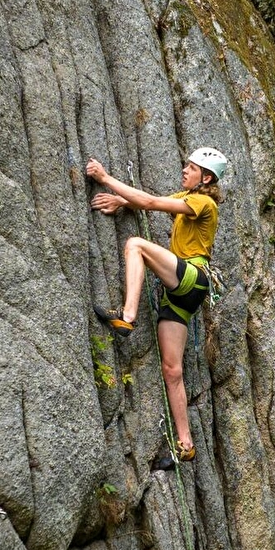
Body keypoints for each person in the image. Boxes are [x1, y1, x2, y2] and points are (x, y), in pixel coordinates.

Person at [86, 147, 228, 470]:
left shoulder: (203, 202)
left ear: (205, 177)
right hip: (184, 295)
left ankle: (128, 317)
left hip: (192, 277)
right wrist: (121, 201)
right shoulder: (189, 197)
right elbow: (152, 202)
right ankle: (186, 444)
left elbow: (150, 202)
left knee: (135, 245)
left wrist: (105, 179)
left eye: (190, 168)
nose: (184, 171)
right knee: (172, 371)